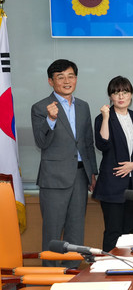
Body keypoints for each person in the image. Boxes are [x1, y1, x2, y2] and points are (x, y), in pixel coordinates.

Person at [30, 59, 97, 267]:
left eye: (71, 76)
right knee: (52, 232)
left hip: (80, 176)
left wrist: (92, 173)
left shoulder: (83, 106)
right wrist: (50, 119)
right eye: (60, 77)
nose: (67, 81)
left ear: (76, 79)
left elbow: (87, 143)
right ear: (51, 81)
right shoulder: (40, 107)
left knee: (76, 231)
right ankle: (50, 279)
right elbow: (41, 142)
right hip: (54, 179)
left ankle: (71, 274)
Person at [93, 76, 133, 252]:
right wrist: (106, 118)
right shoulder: (103, 118)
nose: (121, 96)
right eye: (116, 93)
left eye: (125, 92)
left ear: (131, 95)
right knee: (113, 232)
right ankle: (108, 265)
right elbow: (103, 144)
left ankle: (126, 266)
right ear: (110, 96)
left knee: (129, 232)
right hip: (112, 184)